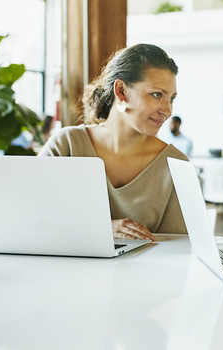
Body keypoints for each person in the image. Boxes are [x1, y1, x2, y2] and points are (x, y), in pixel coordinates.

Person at [39, 44, 188, 240]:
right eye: (157, 95)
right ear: (121, 92)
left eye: (172, 98)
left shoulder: (175, 164)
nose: (167, 111)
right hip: (61, 269)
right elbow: (33, 218)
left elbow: (177, 250)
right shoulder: (66, 145)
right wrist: (99, 229)